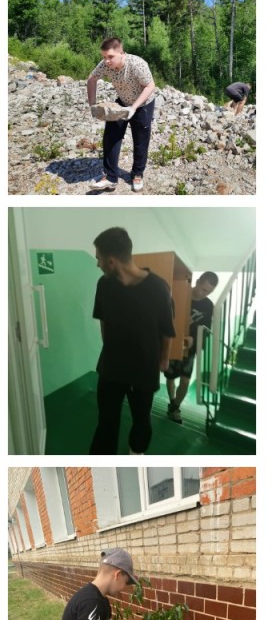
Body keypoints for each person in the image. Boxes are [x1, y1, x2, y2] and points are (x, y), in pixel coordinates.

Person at [89, 228, 175, 455]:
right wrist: (109, 349)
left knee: (141, 421)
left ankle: (136, 454)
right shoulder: (104, 285)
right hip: (111, 367)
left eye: (98, 258)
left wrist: (164, 360)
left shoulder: (159, 288)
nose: (97, 264)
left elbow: (167, 329)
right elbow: (103, 320)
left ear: (111, 261)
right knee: (106, 422)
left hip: (144, 370)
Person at [86, 38, 157, 193]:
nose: (107, 61)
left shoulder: (137, 64)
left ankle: (137, 174)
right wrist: (92, 104)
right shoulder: (105, 65)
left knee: (140, 139)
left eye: (110, 57)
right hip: (122, 102)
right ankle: (110, 177)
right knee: (111, 136)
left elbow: (150, 86)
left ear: (121, 53)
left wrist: (134, 107)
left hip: (143, 104)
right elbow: (92, 79)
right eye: (104, 57)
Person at [165, 272, 219, 424]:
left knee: (185, 381)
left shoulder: (208, 305)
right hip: (173, 343)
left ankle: (175, 407)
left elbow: (206, 328)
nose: (204, 293)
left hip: (190, 348)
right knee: (170, 378)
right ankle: (172, 400)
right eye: (203, 289)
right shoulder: (181, 295)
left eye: (209, 291)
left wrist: (193, 339)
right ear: (198, 281)